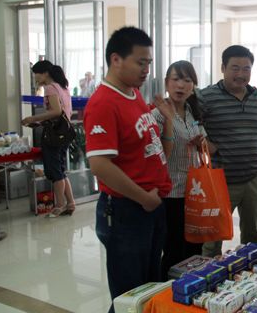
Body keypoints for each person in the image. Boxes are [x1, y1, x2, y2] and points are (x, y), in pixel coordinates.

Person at [84, 27, 173, 313]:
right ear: (116, 59)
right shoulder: (103, 103)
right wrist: (143, 198)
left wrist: (169, 123)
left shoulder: (133, 94)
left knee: (148, 289)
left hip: (150, 206)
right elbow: (100, 165)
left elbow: (149, 149)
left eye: (149, 63)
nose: (146, 70)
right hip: (127, 210)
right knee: (129, 296)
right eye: (140, 62)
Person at [200, 45, 257, 257]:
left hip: (253, 178)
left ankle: (249, 275)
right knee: (212, 239)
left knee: (252, 237)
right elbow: (190, 120)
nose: (241, 74)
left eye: (246, 69)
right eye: (235, 68)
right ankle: (208, 276)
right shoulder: (207, 96)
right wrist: (206, 142)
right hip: (221, 180)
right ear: (223, 68)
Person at [151, 60, 206, 281]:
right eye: (176, 79)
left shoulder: (192, 111)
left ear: (193, 85)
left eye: (187, 80)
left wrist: (200, 142)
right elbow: (157, 155)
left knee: (195, 246)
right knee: (174, 249)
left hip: (194, 191)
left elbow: (203, 144)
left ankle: (192, 289)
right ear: (167, 83)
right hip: (171, 193)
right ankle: (169, 291)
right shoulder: (157, 114)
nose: (181, 85)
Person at [21, 60, 76, 218]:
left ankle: (59, 206)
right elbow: (62, 113)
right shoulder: (62, 87)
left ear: (45, 73)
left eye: (37, 74)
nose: (36, 78)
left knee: (55, 171)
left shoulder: (50, 88)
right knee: (61, 170)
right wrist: (40, 122)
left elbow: (56, 111)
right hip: (64, 133)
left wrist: (33, 118)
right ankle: (70, 203)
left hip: (53, 136)